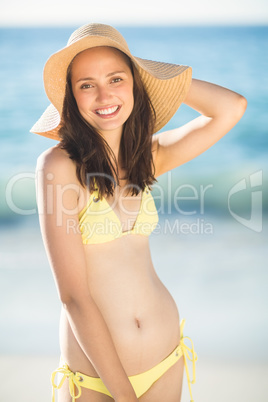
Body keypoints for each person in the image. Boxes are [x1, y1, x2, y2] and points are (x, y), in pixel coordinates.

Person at [31, 23, 247, 402]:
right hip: (96, 379)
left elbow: (231, 108)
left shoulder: (148, 155)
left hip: (166, 360)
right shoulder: (58, 167)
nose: (104, 94)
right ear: (71, 97)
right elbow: (73, 297)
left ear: (135, 83)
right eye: (87, 84)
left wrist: (148, 71)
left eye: (116, 78)